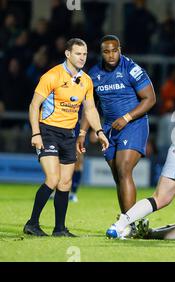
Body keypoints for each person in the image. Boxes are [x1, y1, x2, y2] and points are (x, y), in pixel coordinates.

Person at [24, 38, 108, 237]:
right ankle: (32, 223)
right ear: (68, 54)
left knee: (65, 183)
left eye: (85, 54)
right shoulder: (52, 75)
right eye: (78, 53)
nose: (82, 58)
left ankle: (59, 229)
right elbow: (34, 105)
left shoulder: (86, 80)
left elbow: (90, 109)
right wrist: (36, 133)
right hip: (48, 131)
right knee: (53, 179)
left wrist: (99, 131)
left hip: (69, 134)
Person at [78, 35, 156, 213]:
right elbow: (90, 107)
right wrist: (83, 132)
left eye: (115, 50)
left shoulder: (132, 69)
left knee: (124, 169)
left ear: (120, 50)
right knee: (118, 176)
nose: (111, 55)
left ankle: (130, 222)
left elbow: (150, 99)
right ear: (101, 53)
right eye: (107, 52)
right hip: (110, 130)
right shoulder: (94, 74)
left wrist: (127, 117)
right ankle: (127, 221)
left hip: (133, 125)